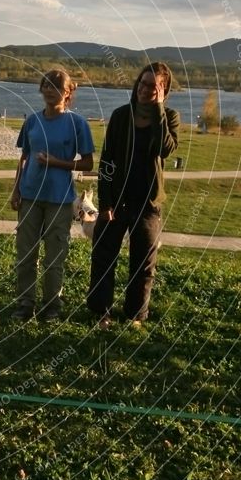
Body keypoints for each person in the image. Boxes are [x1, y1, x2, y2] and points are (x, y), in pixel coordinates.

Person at [87, 61, 179, 327]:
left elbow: (165, 149)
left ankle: (135, 315)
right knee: (104, 258)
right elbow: (106, 162)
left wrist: (159, 109)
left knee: (143, 262)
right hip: (117, 200)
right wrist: (105, 202)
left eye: (153, 86)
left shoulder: (169, 117)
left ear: (163, 90)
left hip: (148, 203)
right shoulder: (120, 116)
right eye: (143, 83)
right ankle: (100, 311)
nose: (145, 89)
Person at [10, 69, 95, 321]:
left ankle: (51, 307)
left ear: (68, 93)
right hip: (30, 197)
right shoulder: (32, 121)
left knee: (54, 257)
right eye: (46, 85)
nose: (49, 90)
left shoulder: (77, 124)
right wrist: (16, 189)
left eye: (56, 87)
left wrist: (58, 163)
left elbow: (88, 164)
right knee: (26, 254)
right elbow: (23, 157)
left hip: (60, 199)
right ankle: (25, 304)